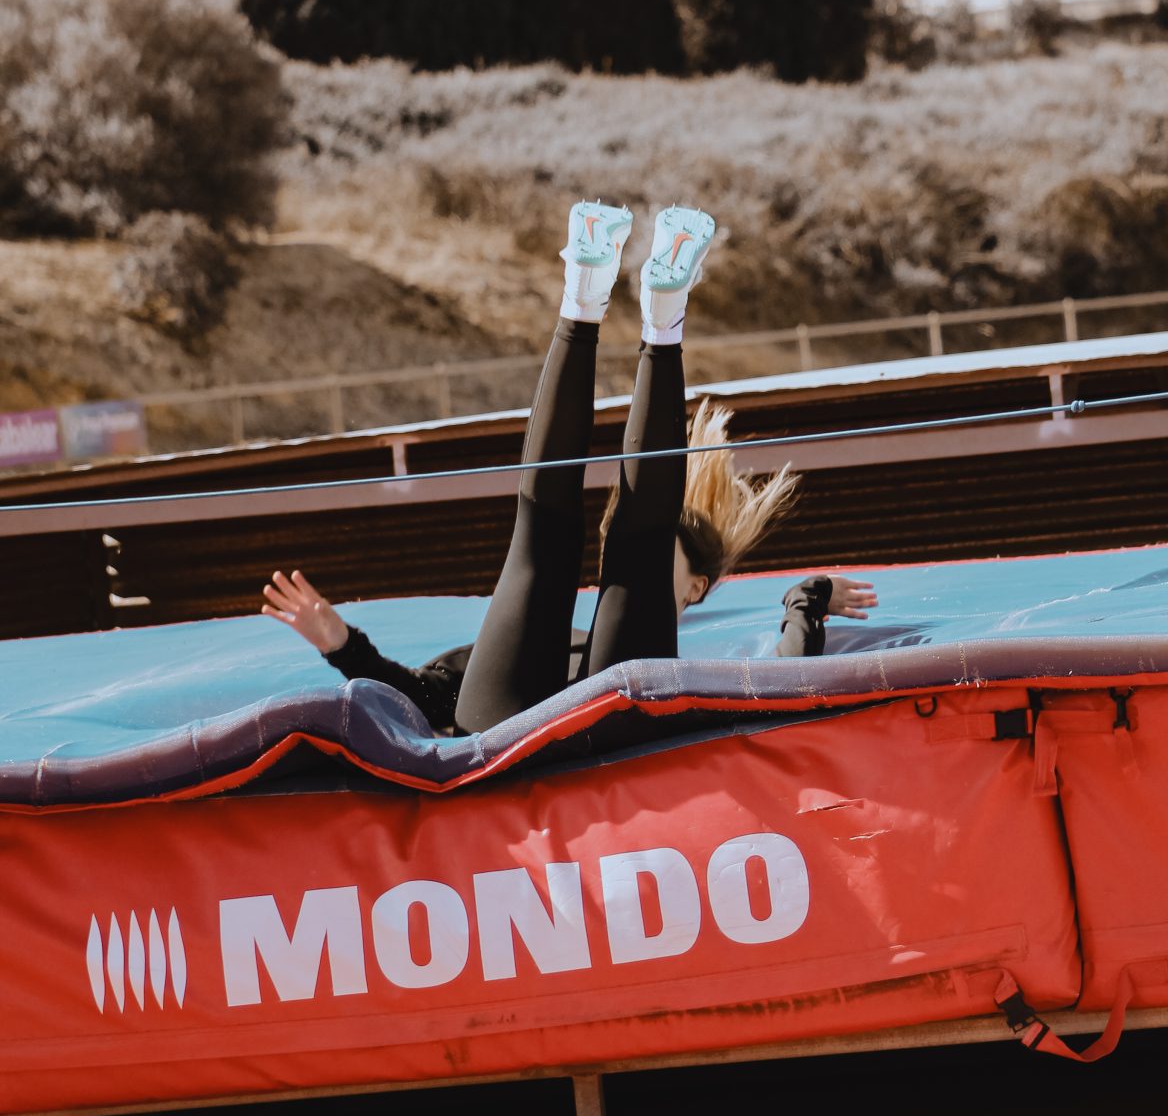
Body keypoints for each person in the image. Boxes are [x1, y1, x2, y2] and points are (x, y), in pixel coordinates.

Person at [262, 199, 877, 735]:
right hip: (509, 732)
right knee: (545, 534)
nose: (605, 564)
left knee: (618, 540)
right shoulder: (555, 637)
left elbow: (782, 681)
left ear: (697, 587)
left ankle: (648, 311)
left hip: (600, 729)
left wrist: (805, 600)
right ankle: (602, 296)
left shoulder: (689, 667)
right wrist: (343, 647)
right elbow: (425, 698)